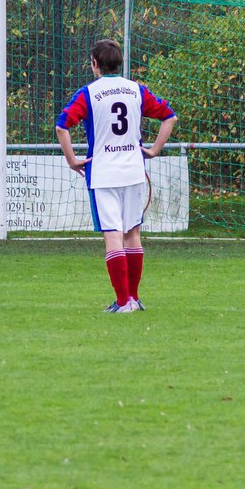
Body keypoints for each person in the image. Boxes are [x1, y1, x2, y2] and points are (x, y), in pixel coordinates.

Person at [56, 39, 177, 314]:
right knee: (133, 233)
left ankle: (123, 302)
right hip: (134, 171)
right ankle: (133, 298)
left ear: (94, 64)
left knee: (113, 235)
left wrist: (72, 160)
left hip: (104, 174)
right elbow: (169, 117)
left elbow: (62, 126)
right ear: (119, 63)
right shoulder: (136, 90)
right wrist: (155, 150)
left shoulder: (88, 92)